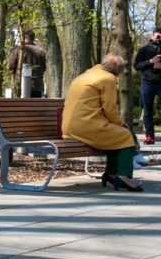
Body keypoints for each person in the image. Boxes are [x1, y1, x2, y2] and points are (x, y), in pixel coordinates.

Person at [61, 53, 142, 192]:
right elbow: (110, 108)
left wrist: (117, 124)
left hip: (71, 126)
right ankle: (123, 176)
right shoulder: (108, 79)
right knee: (127, 136)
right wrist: (119, 123)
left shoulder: (87, 74)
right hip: (87, 125)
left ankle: (111, 174)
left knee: (119, 137)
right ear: (118, 72)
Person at [133, 27, 161, 145]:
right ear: (152, 37)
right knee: (148, 111)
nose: (159, 39)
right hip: (147, 83)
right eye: (157, 36)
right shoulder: (143, 50)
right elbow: (137, 66)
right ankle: (149, 136)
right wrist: (151, 61)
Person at [6, 30, 47, 97]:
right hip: (37, 86)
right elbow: (44, 68)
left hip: (20, 85)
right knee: (34, 107)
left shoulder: (18, 50)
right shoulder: (40, 52)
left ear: (24, 38)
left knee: (20, 106)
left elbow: (10, 66)